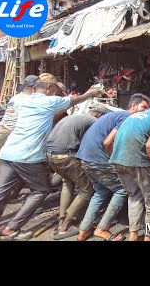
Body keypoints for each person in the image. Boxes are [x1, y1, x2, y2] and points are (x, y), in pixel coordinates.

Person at [0, 73, 103, 241]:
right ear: (48, 88)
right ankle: (11, 227)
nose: (54, 94)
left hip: (8, 152)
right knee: (41, 190)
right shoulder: (48, 101)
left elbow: (51, 116)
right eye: (54, 90)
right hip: (28, 155)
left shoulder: (25, 100)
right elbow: (74, 100)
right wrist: (90, 94)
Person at [75, 94, 150, 241]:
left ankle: (83, 230)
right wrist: (113, 160)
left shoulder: (115, 115)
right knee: (122, 190)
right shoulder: (125, 117)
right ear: (133, 106)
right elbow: (108, 142)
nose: (145, 112)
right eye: (143, 107)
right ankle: (101, 228)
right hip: (97, 159)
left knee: (100, 192)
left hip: (85, 158)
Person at [111, 89, 150, 241]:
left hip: (118, 160)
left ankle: (133, 235)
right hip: (138, 161)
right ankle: (149, 236)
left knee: (135, 196)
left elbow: (113, 139)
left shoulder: (133, 115)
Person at [47, 103, 109, 240]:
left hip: (51, 154)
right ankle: (65, 226)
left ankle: (61, 219)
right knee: (86, 190)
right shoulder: (94, 122)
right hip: (66, 155)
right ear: (100, 115)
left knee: (67, 184)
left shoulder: (75, 118)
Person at [0, 75, 38, 206]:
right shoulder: (28, 100)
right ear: (34, 88)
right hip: (7, 135)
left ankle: (10, 195)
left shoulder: (16, 97)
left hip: (0, 133)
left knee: (9, 168)